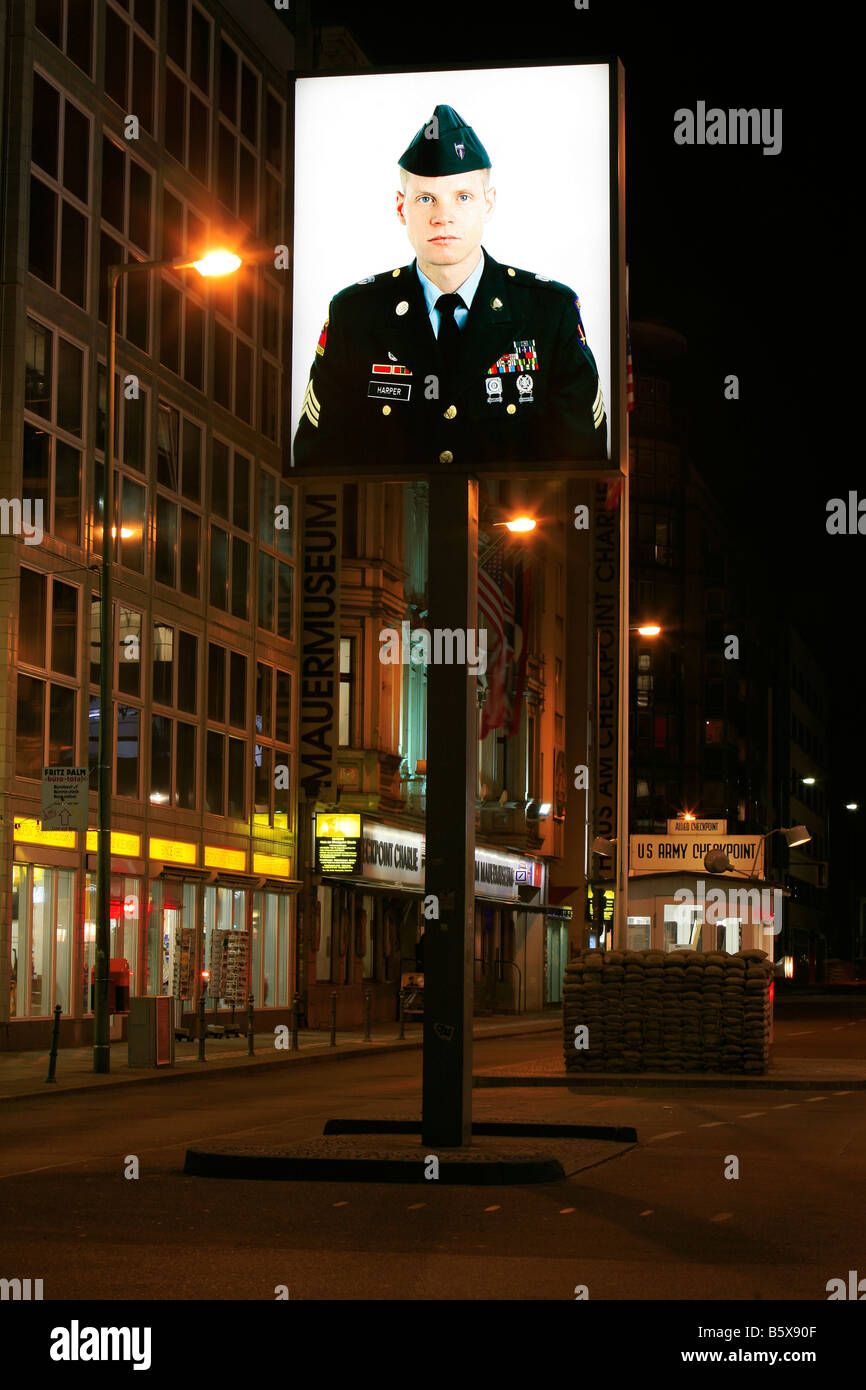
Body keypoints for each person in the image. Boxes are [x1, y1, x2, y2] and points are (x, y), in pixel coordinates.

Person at [293, 104, 607, 474]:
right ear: (400, 207)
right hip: (390, 529)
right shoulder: (356, 315)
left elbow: (582, 464)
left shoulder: (548, 314)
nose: (443, 216)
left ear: (488, 203)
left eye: (462, 197)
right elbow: (317, 463)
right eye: (426, 198)